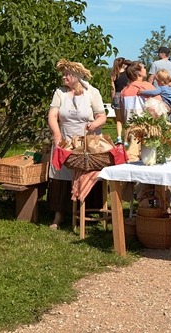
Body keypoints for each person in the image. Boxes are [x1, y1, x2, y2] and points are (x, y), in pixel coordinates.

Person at [46, 59, 107, 230]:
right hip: (65, 141)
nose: (64, 77)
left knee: (85, 174)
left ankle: (85, 210)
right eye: (63, 74)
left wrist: (94, 124)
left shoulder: (92, 92)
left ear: (77, 76)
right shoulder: (60, 93)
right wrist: (57, 135)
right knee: (61, 175)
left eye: (67, 74)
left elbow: (101, 116)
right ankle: (59, 215)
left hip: (87, 143)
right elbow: (52, 115)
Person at [110, 57, 130, 143]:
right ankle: (126, 140)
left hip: (117, 97)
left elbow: (112, 89)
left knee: (118, 119)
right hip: (126, 96)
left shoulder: (114, 75)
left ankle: (119, 138)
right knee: (126, 119)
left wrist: (112, 99)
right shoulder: (128, 75)